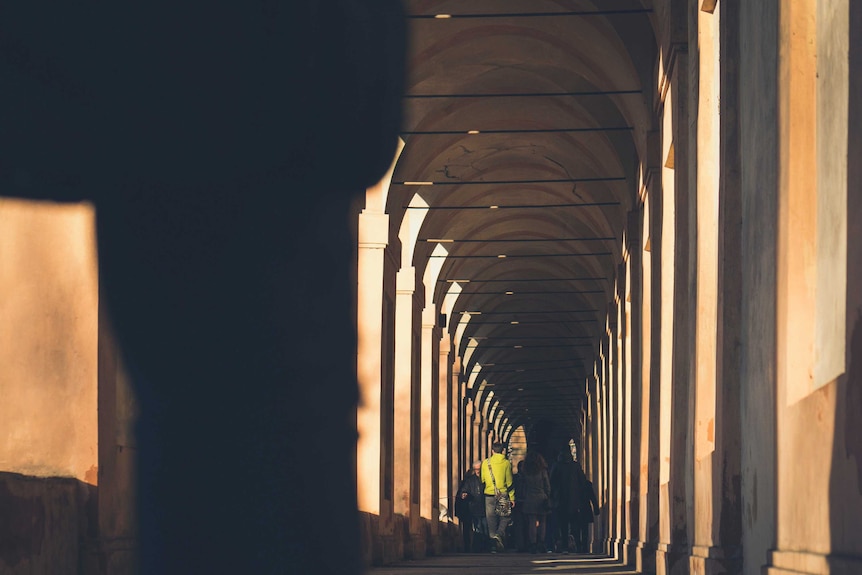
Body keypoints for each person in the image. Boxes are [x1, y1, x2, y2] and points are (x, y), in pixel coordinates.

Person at [2, 3, 406, 573]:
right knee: (256, 444)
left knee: (204, 445)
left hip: (182, 186)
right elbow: (365, 119)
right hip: (267, 211)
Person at [481, 442, 515, 553]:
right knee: (505, 517)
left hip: (489, 494)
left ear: (492, 451)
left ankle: (493, 545)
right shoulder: (506, 463)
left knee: (491, 519)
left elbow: (483, 479)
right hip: (503, 494)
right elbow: (509, 482)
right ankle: (499, 534)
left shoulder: (486, 463)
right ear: (503, 451)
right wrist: (512, 497)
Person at [518, 452, 551, 554]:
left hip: (529, 498)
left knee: (532, 522)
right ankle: (541, 543)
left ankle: (533, 544)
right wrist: (547, 495)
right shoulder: (542, 471)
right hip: (541, 498)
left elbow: (523, 486)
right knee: (543, 522)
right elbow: (547, 486)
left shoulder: (526, 471)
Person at [549, 449, 580, 553]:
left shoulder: (557, 466)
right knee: (575, 523)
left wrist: (552, 496)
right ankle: (577, 544)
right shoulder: (575, 466)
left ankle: (565, 546)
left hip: (560, 499)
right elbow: (582, 481)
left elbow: (551, 482)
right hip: (574, 499)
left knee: (563, 524)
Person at [456, 461, 488, 552]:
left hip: (485, 506)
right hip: (473, 507)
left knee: (485, 528)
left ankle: (485, 547)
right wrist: (464, 494)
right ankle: (477, 547)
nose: (478, 471)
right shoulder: (470, 480)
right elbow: (464, 490)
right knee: (477, 528)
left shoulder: (486, 478)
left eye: (479, 469)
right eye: (476, 469)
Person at [573, 463, 600, 553]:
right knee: (584, 529)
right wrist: (596, 508)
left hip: (575, 508)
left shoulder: (572, 485)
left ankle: (579, 546)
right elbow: (592, 497)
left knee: (576, 529)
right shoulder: (587, 484)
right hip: (585, 508)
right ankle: (584, 546)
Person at [511, 460, 527, 552]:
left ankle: (520, 545)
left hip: (518, 502)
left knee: (519, 525)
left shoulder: (515, 478)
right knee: (524, 524)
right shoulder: (528, 478)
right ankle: (524, 544)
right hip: (524, 502)